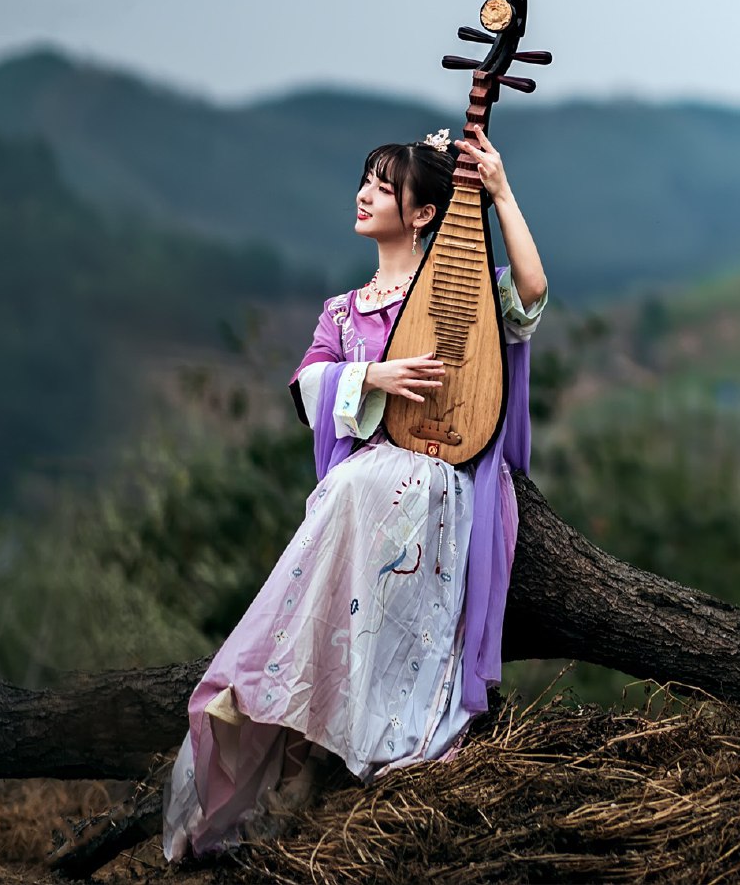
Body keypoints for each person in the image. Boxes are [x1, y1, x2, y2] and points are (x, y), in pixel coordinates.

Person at [161, 125, 550, 859]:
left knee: (361, 494)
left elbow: (530, 295)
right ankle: (303, 745)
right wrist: (372, 376)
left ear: (423, 212)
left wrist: (497, 190)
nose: (363, 193)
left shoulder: (459, 296)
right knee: (349, 497)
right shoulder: (343, 311)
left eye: (381, 183)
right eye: (365, 180)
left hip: (435, 480)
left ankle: (332, 752)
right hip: (361, 488)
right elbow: (308, 387)